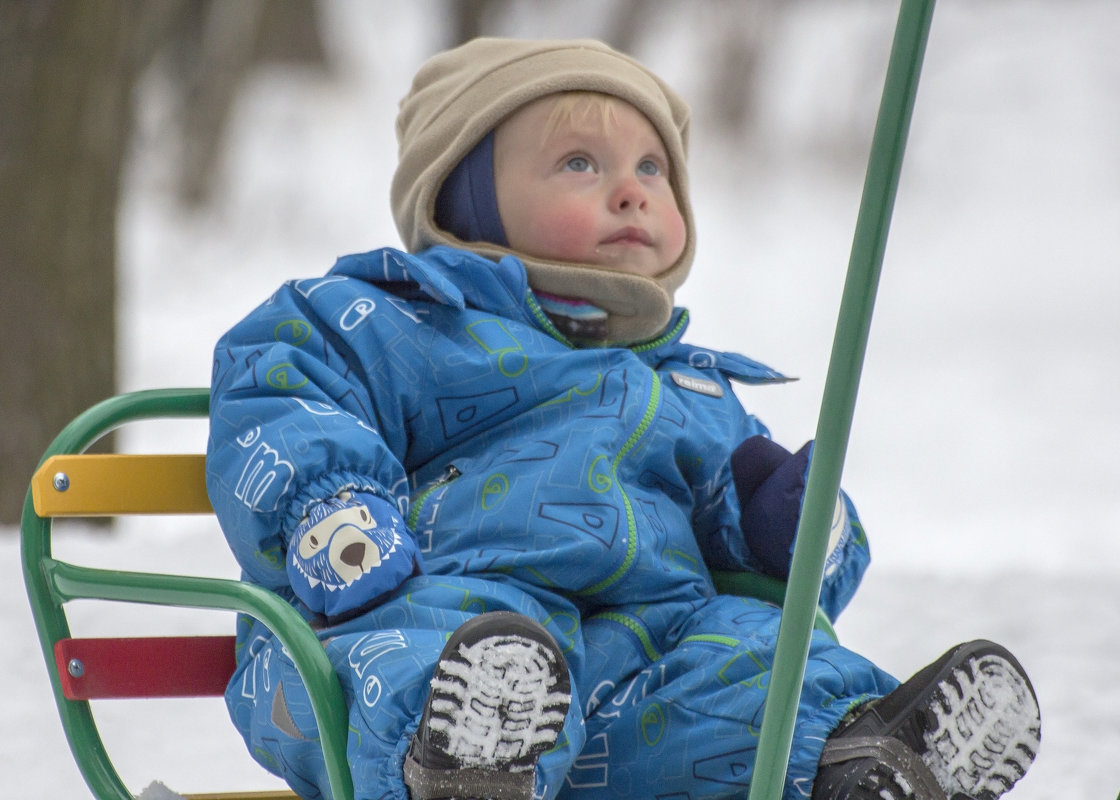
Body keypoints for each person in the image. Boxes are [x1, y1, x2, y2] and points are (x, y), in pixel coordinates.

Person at [205, 37, 1040, 800]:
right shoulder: (398, 322)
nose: (633, 192)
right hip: (447, 601)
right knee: (431, 640)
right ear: (466, 203)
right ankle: (459, 760)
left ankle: (855, 758)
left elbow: (767, 575)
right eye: (579, 163)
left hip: (641, 676)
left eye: (654, 169)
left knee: (752, 648)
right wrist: (330, 503)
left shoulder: (686, 384)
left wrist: (786, 530)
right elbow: (281, 389)